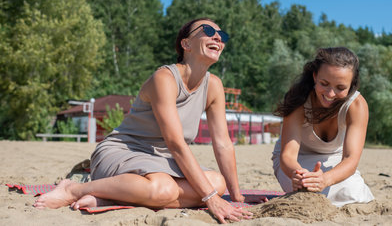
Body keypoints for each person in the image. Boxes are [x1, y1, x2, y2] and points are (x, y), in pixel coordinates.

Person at [34, 18, 264, 223]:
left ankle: (110, 198)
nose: (217, 37)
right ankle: (74, 190)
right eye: (207, 30)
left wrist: (235, 196)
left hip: (163, 161)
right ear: (186, 44)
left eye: (222, 35)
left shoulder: (214, 85)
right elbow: (175, 142)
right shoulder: (164, 78)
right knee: (169, 189)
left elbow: (222, 143)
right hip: (125, 150)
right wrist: (210, 199)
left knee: (216, 183)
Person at [271, 47, 374, 207]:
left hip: (335, 159)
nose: (330, 94)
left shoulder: (357, 105)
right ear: (314, 77)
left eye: (340, 88)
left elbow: (350, 160)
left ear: (351, 85)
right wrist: (298, 175)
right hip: (296, 160)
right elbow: (288, 156)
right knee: (307, 191)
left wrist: (325, 179)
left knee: (352, 193)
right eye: (324, 84)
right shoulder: (298, 99)